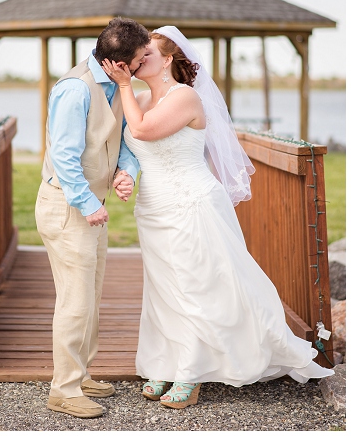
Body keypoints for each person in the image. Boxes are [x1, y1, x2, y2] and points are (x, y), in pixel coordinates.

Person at [101, 25, 334, 409]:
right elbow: (137, 150)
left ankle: (190, 374)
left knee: (194, 286)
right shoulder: (139, 99)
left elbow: (141, 131)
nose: (139, 63)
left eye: (148, 57)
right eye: (137, 57)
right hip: (153, 207)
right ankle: (166, 361)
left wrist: (123, 85)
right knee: (164, 289)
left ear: (169, 60)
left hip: (191, 202)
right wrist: (125, 174)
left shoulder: (185, 97)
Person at [35, 17, 150, 419]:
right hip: (67, 208)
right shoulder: (74, 89)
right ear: (118, 63)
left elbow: (127, 142)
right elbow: (64, 158)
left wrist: (125, 173)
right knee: (75, 302)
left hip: (90, 206)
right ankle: (62, 391)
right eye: (138, 60)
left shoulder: (120, 86)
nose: (142, 65)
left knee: (91, 297)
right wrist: (88, 203)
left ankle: (80, 374)